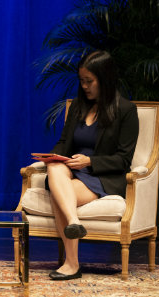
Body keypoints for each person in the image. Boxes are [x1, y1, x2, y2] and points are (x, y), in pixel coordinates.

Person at [44, 50, 138, 281]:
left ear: (104, 80)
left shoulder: (126, 110)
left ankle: (71, 264)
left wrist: (90, 161)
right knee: (54, 168)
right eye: (82, 81)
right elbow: (65, 142)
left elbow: (123, 159)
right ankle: (74, 222)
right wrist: (51, 156)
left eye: (90, 81)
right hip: (71, 170)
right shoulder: (78, 106)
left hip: (100, 176)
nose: (85, 86)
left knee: (59, 194)